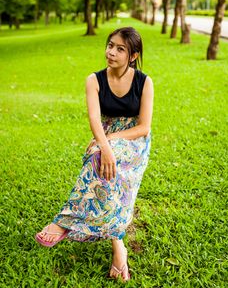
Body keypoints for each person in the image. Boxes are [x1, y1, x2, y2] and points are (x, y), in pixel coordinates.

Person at [35, 26, 154, 282]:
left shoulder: (144, 82)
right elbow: (93, 119)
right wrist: (104, 145)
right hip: (104, 133)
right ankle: (117, 248)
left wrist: (109, 143)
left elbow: (144, 126)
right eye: (110, 45)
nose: (111, 52)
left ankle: (65, 221)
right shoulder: (94, 79)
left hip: (133, 140)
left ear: (132, 56)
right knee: (101, 164)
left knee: (102, 163)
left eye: (120, 49)